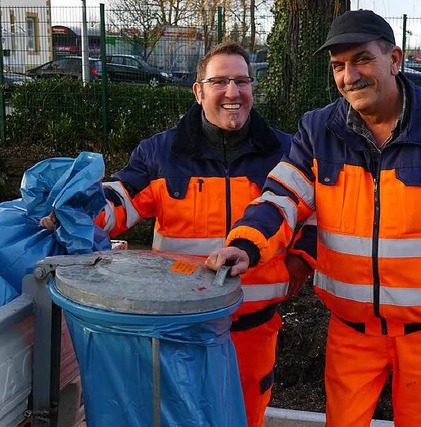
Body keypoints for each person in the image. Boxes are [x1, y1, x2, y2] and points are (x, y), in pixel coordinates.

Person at [205, 10, 421, 427]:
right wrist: (244, 245)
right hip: (351, 332)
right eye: (339, 66)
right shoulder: (319, 130)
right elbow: (282, 198)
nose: (349, 75)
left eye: (362, 59)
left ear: (394, 59)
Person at [94, 42, 316, 427]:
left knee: (247, 416)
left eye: (242, 81)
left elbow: (317, 212)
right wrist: (77, 205)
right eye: (219, 81)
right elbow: (121, 201)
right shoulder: (161, 153)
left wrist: (301, 261)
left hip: (254, 327)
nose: (233, 92)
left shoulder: (286, 151)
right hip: (181, 331)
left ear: (252, 88)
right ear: (198, 92)